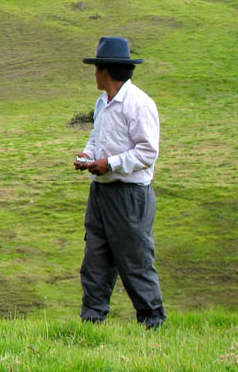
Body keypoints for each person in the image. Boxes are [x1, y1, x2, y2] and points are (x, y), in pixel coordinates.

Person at [74, 36, 165, 328]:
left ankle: (152, 321)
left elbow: (148, 152)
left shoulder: (139, 104)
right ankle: (92, 321)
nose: (95, 74)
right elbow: (97, 137)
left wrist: (110, 163)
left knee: (135, 258)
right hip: (101, 192)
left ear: (106, 71)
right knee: (96, 257)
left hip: (130, 195)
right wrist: (88, 154)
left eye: (97, 68)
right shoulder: (103, 103)